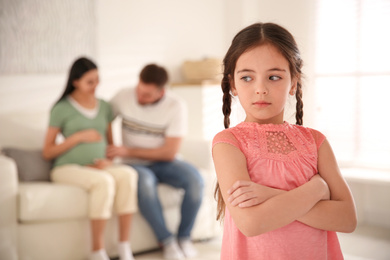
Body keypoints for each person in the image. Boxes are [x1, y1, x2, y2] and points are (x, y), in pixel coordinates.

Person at [212, 23, 357, 260]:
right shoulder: (228, 143)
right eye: (247, 77)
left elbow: (347, 218)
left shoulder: (315, 141)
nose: (260, 89)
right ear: (233, 85)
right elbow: (252, 222)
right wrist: (317, 188)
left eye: (274, 77)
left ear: (293, 82)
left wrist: (268, 195)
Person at [42, 57, 138, 260]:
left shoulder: (104, 107)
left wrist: (109, 162)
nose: (96, 85)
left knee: (128, 175)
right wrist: (78, 137)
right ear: (75, 82)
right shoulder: (61, 108)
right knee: (103, 182)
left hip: (99, 166)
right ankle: (97, 251)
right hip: (67, 167)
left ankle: (124, 247)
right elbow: (47, 151)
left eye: (97, 79)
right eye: (90, 81)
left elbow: (111, 146)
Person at [107, 64, 204, 260]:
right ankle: (167, 242)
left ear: (162, 92)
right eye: (140, 91)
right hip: (133, 164)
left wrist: (128, 149)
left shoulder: (175, 106)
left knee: (196, 180)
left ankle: (184, 238)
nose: (140, 98)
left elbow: (170, 152)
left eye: (147, 95)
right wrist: (111, 144)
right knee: (145, 184)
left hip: (165, 162)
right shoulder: (123, 96)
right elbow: (103, 119)